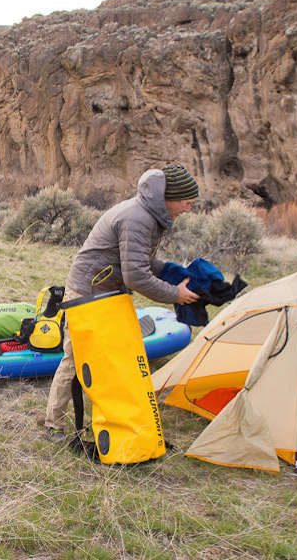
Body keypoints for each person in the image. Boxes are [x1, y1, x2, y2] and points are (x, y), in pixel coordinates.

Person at [44, 164, 200, 441]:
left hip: (107, 293)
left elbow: (142, 259)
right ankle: (53, 425)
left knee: (111, 357)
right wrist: (176, 295)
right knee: (76, 358)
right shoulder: (138, 217)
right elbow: (137, 275)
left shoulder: (148, 214)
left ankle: (111, 421)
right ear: (171, 197)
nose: (188, 209)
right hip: (86, 293)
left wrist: (171, 272)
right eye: (187, 203)